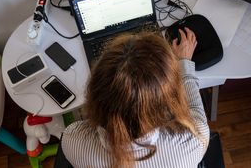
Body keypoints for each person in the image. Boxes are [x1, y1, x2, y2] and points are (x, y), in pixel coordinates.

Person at [62, 28, 210, 168]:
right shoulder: (194, 139)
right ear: (169, 101)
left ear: (94, 94)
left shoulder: (72, 140)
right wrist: (184, 62)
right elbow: (196, 109)